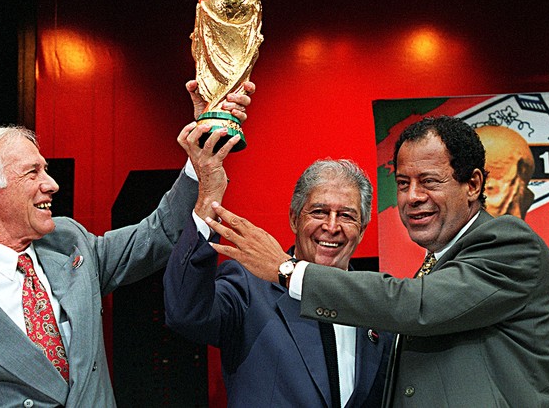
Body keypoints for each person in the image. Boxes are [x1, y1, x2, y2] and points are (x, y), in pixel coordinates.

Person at [0, 81, 254, 407]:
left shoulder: (70, 244)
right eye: (32, 173)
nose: (51, 184)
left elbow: (157, 235)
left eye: (47, 170)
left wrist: (201, 153)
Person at [201, 116, 549, 406]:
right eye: (403, 183)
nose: (413, 197)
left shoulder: (511, 244)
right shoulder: (438, 265)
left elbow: (419, 305)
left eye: (429, 181)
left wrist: (288, 270)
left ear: (472, 184)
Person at [164, 159, 393, 407]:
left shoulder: (375, 303)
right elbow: (186, 313)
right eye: (319, 212)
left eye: (346, 216)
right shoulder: (249, 286)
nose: (331, 226)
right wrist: (207, 203)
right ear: (294, 218)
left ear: (362, 229)